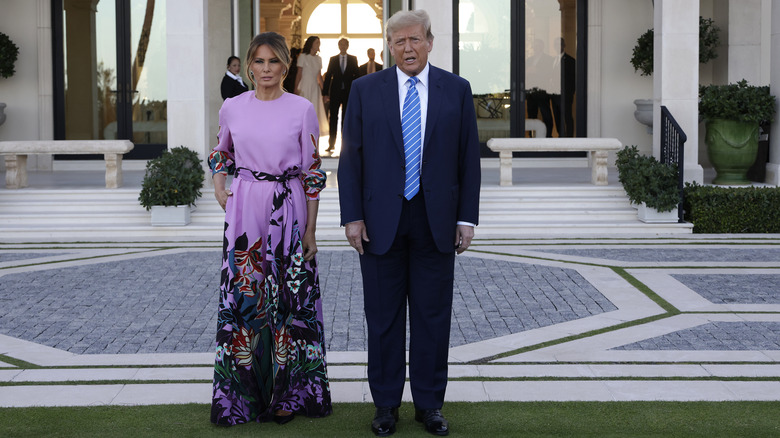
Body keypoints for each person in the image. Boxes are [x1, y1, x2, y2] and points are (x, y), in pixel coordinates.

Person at [338, 9, 480, 437]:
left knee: (432, 318)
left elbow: (467, 160)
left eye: (415, 40)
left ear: (430, 42)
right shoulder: (364, 90)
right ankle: (385, 406)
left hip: (436, 221)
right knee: (382, 319)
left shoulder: (456, 90)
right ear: (389, 47)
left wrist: (466, 218)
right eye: (398, 42)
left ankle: (430, 405)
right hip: (380, 222)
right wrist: (352, 217)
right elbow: (351, 159)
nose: (407, 48)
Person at [208, 31, 332, 427]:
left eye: (273, 62)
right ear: (249, 65)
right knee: (245, 298)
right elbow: (220, 152)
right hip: (245, 210)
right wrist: (219, 187)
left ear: (285, 66)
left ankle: (287, 396)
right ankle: (243, 397)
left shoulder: (301, 109)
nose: (266, 69)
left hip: (287, 207)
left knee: (288, 302)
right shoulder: (232, 106)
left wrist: (310, 231)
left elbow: (313, 174)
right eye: (259, 62)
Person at [322, 37, 359, 153]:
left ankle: (345, 145)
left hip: (348, 93)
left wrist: (357, 93)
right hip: (335, 92)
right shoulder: (333, 59)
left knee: (346, 119)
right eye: (341, 44)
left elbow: (357, 76)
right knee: (333, 118)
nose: (343, 46)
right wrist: (325, 93)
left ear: (347, 46)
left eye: (345, 44)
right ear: (339, 46)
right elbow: (328, 77)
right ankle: (331, 144)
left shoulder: (353, 59)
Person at [295, 36, 329, 138]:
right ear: (311, 44)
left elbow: (319, 76)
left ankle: (314, 142)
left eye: (319, 43)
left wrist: (325, 92)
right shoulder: (303, 57)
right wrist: (296, 89)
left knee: (315, 112)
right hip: (304, 87)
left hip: (315, 89)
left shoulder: (319, 59)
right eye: (316, 43)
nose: (318, 45)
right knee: (303, 113)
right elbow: (299, 74)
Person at [525, 39, 553, 137]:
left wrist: (537, 71)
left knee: (546, 115)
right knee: (531, 115)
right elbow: (525, 74)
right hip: (531, 92)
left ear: (542, 47)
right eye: (535, 46)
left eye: (538, 46)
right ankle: (531, 136)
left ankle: (548, 136)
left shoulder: (549, 59)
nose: (536, 48)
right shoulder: (529, 60)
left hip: (542, 91)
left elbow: (550, 74)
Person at [549, 37, 576, 137]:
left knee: (567, 116)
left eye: (559, 44)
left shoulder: (571, 61)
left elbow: (574, 79)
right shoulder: (552, 60)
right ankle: (561, 136)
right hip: (554, 94)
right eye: (555, 44)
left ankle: (569, 137)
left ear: (564, 46)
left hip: (565, 94)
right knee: (557, 116)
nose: (557, 46)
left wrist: (570, 93)